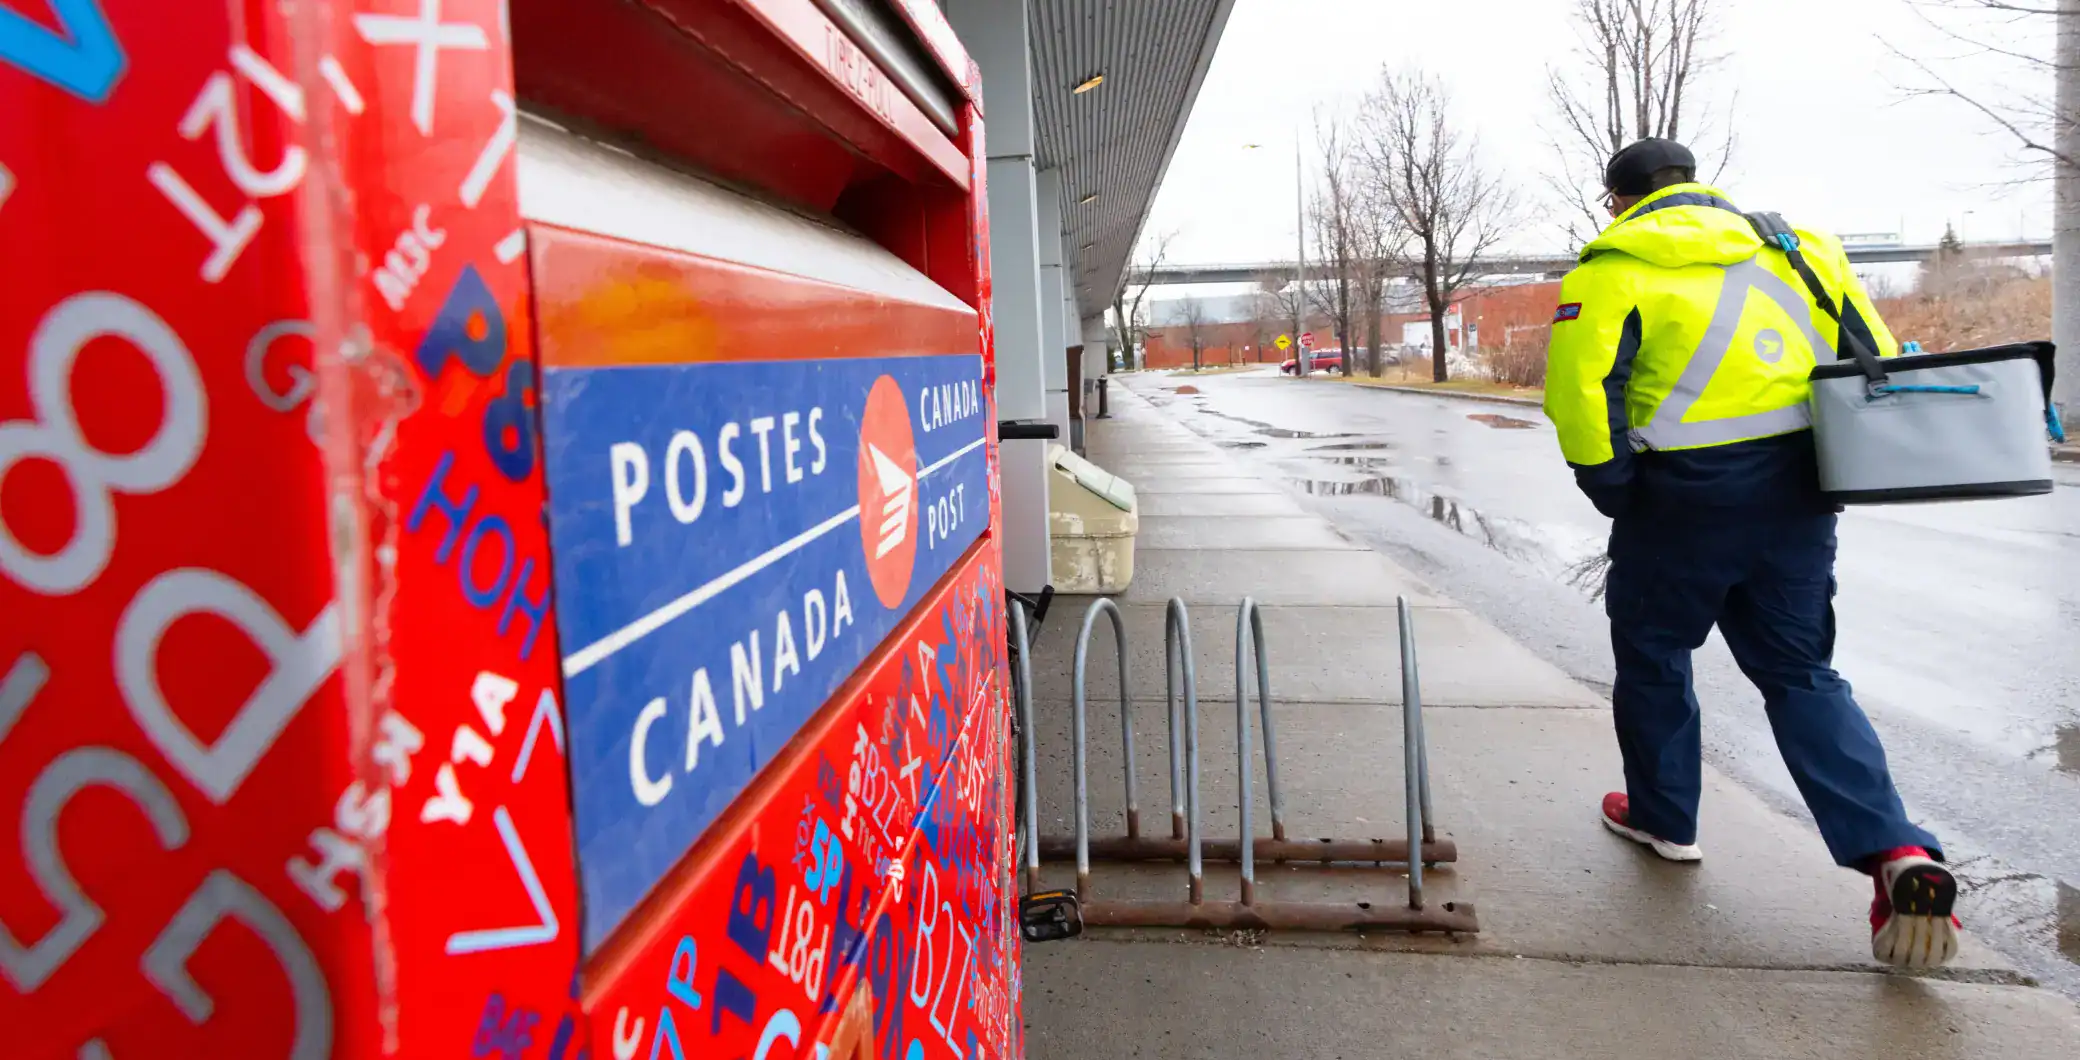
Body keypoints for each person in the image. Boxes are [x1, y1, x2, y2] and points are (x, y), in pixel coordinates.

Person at [1542, 138, 1960, 969]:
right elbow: (1868, 357)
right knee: (1802, 673)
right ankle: (1893, 851)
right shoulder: (1802, 250)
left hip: (1680, 502)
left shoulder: (1613, 265)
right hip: (1797, 499)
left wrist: (1619, 490)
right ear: (1698, 184)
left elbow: (1579, 395)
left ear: (1619, 198)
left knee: (1657, 654)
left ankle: (1665, 819)